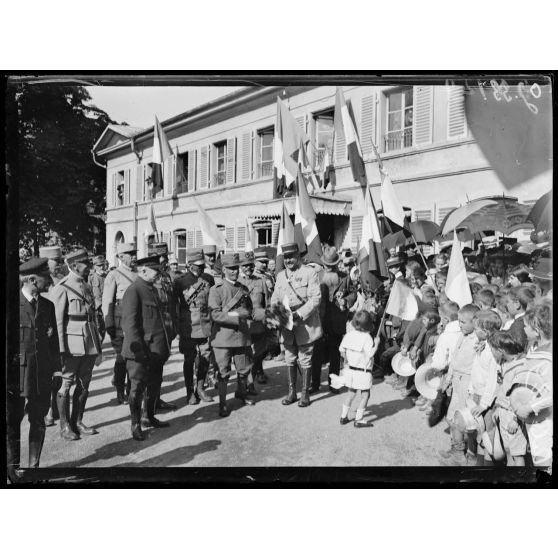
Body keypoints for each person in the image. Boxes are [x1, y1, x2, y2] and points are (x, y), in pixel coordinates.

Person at [7, 258, 60, 481]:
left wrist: (57, 371)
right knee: (12, 424)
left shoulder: (48, 306)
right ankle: (14, 470)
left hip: (41, 374)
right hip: (15, 376)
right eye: (45, 278)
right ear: (31, 280)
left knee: (38, 421)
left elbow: (54, 343)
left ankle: (34, 468)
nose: (49, 281)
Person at [50, 249, 102, 441]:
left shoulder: (86, 285)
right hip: (72, 344)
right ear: (73, 266)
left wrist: (98, 345)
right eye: (85, 263)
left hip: (89, 341)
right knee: (66, 383)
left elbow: (93, 317)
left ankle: (77, 422)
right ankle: (64, 427)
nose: (89, 265)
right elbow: (57, 323)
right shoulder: (62, 288)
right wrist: (60, 349)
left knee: (84, 383)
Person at [121, 255, 173, 441]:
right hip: (140, 352)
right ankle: (135, 424)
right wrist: (140, 352)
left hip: (156, 349)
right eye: (155, 271)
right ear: (143, 270)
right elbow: (130, 325)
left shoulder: (151, 289)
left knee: (154, 385)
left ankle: (149, 416)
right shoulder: (134, 290)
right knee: (137, 389)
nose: (159, 275)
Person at [271, 243, 322, 407]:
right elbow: (275, 299)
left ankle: (305, 393)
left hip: (304, 322)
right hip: (287, 323)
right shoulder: (280, 276)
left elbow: (315, 298)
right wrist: (280, 313)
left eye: (291, 256)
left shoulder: (309, 272)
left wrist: (299, 314)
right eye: (285, 257)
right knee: (290, 358)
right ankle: (292, 392)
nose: (288, 260)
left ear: (298, 256)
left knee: (305, 359)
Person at [208, 253, 258, 417]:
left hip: (242, 337)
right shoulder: (216, 290)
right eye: (230, 268)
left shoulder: (243, 288)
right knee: (223, 373)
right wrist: (236, 315)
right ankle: (222, 403)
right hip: (223, 339)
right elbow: (215, 315)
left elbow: (249, 310)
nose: (234, 271)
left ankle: (241, 393)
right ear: (223, 270)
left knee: (244, 369)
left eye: (236, 268)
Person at [438, 303, 480, 465]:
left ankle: (466, 452)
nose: (460, 325)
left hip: (468, 383)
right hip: (457, 380)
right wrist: (448, 379)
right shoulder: (461, 336)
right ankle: (459, 449)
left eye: (463, 322)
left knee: (462, 419)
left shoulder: (478, 340)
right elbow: (454, 360)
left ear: (474, 322)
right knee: (453, 417)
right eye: (459, 321)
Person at [174, 248, 215, 405]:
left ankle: (200, 388)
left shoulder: (208, 279)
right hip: (188, 325)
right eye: (198, 266)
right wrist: (177, 327)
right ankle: (189, 392)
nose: (202, 268)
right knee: (189, 359)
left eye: (203, 265)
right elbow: (175, 306)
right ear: (190, 264)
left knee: (205, 357)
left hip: (205, 324)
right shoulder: (180, 281)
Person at [102, 243, 138, 404]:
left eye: (134, 253)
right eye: (130, 254)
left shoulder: (138, 274)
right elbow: (107, 302)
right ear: (121, 257)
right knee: (121, 358)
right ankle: (119, 391)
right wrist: (108, 324)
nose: (134, 256)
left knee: (134, 357)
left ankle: (131, 390)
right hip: (119, 324)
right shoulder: (114, 275)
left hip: (135, 323)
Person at [317, 246, 357, 394]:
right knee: (317, 353)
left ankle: (333, 384)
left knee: (335, 354)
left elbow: (353, 294)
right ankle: (315, 383)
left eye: (332, 266)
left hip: (337, 321)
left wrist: (346, 302)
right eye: (327, 266)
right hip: (319, 321)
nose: (329, 269)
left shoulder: (345, 277)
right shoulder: (317, 276)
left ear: (336, 264)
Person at [519, 299, 552, 470]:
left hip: (545, 419)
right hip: (535, 418)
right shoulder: (535, 347)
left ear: (537, 330)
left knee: (543, 461)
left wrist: (530, 407)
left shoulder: (547, 358)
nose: (523, 329)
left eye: (526, 326)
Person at [487, 331, 528, 466]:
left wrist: (516, 420)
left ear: (500, 350)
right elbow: (503, 390)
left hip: (514, 415)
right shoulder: (505, 363)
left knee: (517, 454)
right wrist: (499, 408)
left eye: (492, 350)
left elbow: (524, 397)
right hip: (504, 412)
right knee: (508, 450)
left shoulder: (521, 366)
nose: (491, 353)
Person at [148, 242, 178, 411]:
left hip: (167, 326)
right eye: (161, 257)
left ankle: (156, 399)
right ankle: (147, 407)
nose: (165, 260)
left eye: (166, 257)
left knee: (160, 365)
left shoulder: (167, 276)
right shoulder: (147, 278)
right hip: (154, 326)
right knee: (150, 367)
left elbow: (173, 302)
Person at [336, 311, 378, 427]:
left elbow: (341, 350)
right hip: (363, 372)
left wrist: (348, 359)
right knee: (365, 395)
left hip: (351, 370)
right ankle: (359, 419)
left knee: (351, 393)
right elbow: (370, 354)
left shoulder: (349, 334)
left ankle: (343, 417)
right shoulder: (367, 337)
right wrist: (377, 344)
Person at [239, 252, 270, 386]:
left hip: (258, 322)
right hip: (243, 323)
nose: (248, 268)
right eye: (245, 266)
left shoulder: (261, 281)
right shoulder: (237, 283)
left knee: (260, 350)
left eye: (250, 265)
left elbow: (267, 302)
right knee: (245, 353)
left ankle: (258, 371)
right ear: (240, 267)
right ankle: (246, 379)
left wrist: (269, 318)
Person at [502, 285, 535, 350]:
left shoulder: (518, 325)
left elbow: (517, 348)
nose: (506, 305)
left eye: (507, 302)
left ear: (517, 304)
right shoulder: (533, 317)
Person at [88, 254, 107, 340]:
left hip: (106, 306)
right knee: (97, 328)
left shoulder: (108, 276)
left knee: (105, 327)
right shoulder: (91, 277)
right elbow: (89, 292)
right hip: (97, 308)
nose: (101, 267)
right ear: (94, 266)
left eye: (102, 265)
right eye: (99, 266)